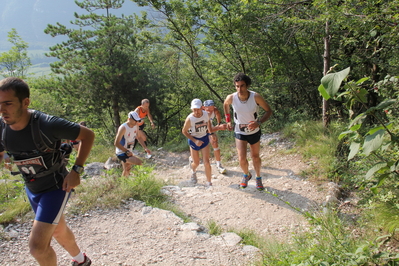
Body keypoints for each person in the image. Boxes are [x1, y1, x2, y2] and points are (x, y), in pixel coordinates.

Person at [0, 77, 95, 266]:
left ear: (25, 102)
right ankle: (81, 260)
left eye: (8, 104)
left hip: (56, 187)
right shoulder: (2, 127)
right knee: (58, 229)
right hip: (32, 188)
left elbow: (88, 134)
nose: (2, 110)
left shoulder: (47, 124)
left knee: (37, 247)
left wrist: (76, 170)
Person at [223, 73, 272, 190]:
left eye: (242, 86)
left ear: (247, 85)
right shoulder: (232, 97)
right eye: (237, 86)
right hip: (240, 131)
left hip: (254, 131)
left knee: (255, 156)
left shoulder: (256, 97)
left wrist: (258, 123)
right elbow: (225, 104)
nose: (239, 89)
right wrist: (228, 121)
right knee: (241, 158)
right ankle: (246, 174)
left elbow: (269, 111)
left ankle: (258, 178)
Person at [182, 99, 213, 187]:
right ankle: (193, 171)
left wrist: (210, 133)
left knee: (206, 162)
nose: (196, 112)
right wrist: (195, 141)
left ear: (202, 108)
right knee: (196, 163)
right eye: (194, 110)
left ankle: (209, 183)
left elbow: (208, 123)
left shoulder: (206, 114)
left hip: (204, 138)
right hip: (194, 139)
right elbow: (184, 131)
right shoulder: (190, 119)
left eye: (198, 109)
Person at [114, 111, 151, 177]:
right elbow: (116, 143)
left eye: (137, 121)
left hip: (129, 151)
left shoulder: (136, 126)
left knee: (127, 169)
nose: (136, 122)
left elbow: (139, 137)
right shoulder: (123, 128)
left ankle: (123, 183)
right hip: (121, 152)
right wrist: (126, 151)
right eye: (135, 121)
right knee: (140, 163)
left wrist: (145, 148)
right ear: (129, 119)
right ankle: (142, 180)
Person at [203, 100, 228, 174]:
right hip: (199, 129)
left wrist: (219, 123)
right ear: (204, 108)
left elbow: (217, 114)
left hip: (209, 125)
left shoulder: (215, 110)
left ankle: (219, 164)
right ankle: (192, 160)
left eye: (212, 109)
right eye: (208, 109)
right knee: (199, 147)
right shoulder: (201, 114)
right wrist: (219, 128)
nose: (210, 111)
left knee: (214, 142)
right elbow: (206, 131)